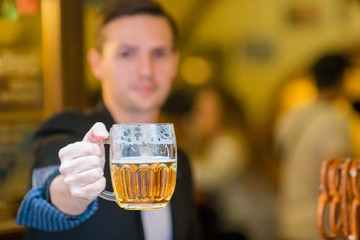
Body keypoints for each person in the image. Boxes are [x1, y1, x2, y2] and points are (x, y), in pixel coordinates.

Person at [16, 0, 202, 239]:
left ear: (174, 63)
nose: (146, 69)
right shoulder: (68, 131)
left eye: (159, 53)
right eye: (127, 53)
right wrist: (70, 193)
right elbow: (48, 194)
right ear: (97, 63)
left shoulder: (178, 161)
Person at [274, 53, 353, 240]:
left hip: (288, 215)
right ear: (341, 79)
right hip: (320, 222)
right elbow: (337, 176)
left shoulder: (289, 117)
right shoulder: (334, 120)